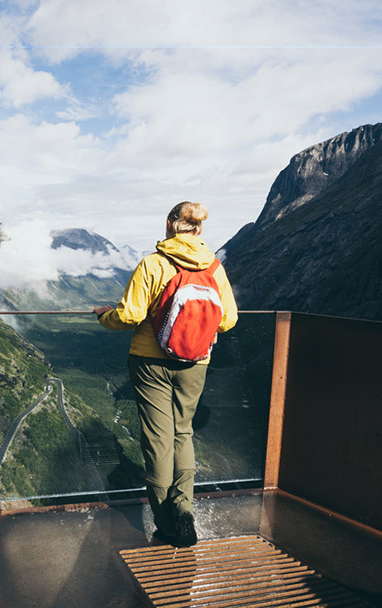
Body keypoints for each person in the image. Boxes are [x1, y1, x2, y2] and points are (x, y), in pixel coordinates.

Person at [93, 201, 237, 547]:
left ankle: (167, 525)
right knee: (182, 433)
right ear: (198, 230)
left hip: (149, 362)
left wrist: (103, 315)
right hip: (196, 363)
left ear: (170, 224)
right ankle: (184, 507)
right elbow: (229, 319)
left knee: (158, 441)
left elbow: (128, 316)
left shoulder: (153, 264)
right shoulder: (215, 269)